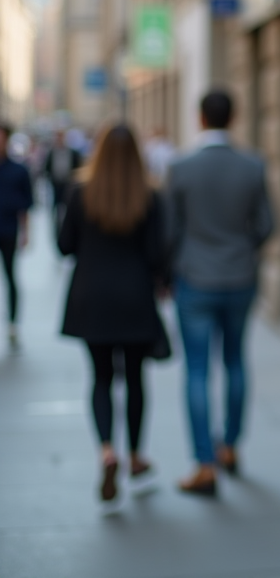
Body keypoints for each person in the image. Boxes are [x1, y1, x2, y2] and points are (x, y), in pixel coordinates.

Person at [165, 89, 274, 496]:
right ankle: (229, 446)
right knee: (235, 362)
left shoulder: (181, 167)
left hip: (195, 278)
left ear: (200, 118)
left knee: (197, 370)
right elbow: (267, 224)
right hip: (240, 277)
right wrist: (242, 248)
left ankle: (204, 464)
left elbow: (169, 230)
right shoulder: (252, 165)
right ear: (234, 117)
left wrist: (176, 265)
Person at [58, 124, 169, 505]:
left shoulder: (79, 191)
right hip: (134, 297)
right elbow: (157, 254)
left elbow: (64, 245)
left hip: (91, 297)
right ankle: (135, 455)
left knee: (101, 378)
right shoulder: (149, 195)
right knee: (135, 378)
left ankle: (107, 451)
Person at [0, 122, 33, 351]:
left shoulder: (19, 170)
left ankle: (13, 324)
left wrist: (26, 232)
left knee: (11, 276)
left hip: (9, 230)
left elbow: (25, 205)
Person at [45, 129, 83, 228]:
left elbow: (78, 166)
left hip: (68, 183)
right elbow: (47, 167)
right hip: (56, 183)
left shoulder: (72, 152)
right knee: (56, 203)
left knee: (67, 202)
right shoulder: (52, 152)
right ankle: (56, 224)